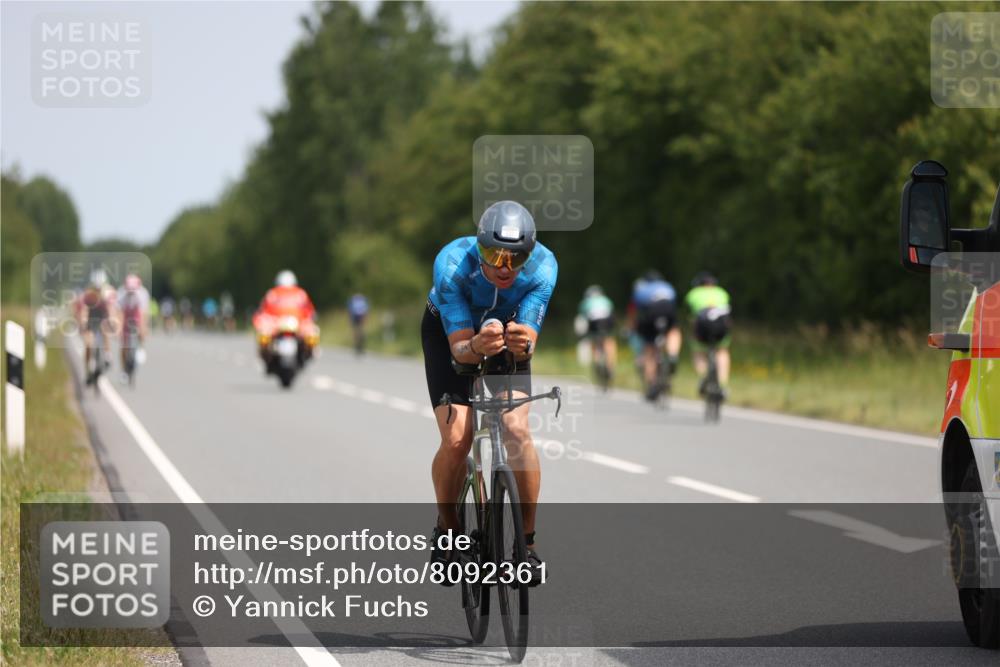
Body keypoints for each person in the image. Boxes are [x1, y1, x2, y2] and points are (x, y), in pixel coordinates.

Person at [422, 200, 557, 585]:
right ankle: (448, 534)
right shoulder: (451, 263)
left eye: (514, 259)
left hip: (504, 336)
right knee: (457, 438)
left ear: (528, 256)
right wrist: (477, 346)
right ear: (477, 246)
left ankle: (526, 546)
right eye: (492, 254)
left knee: (517, 430)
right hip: (454, 334)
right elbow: (460, 350)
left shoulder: (545, 267)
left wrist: (523, 344)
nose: (502, 267)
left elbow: (529, 339)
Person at [628, 270, 681, 401]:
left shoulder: (641, 288)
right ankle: (673, 354)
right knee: (673, 331)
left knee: (649, 349)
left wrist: (634, 327)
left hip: (651, 312)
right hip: (668, 310)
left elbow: (636, 312)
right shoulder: (668, 287)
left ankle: (651, 384)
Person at [252, 270, 318, 367]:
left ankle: (309, 351)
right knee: (264, 336)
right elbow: (310, 312)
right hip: (279, 325)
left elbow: (309, 312)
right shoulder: (277, 294)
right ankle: (266, 355)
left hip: (293, 325)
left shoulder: (297, 294)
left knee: (312, 334)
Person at [685, 271, 732, 397]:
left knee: (698, 351)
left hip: (703, 325)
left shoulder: (693, 293)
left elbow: (692, 318)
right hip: (721, 325)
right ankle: (723, 385)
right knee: (722, 351)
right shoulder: (722, 292)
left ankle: (703, 376)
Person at [75, 269, 115, 384]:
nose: (98, 290)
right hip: (91, 318)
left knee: (105, 328)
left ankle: (107, 355)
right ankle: (88, 370)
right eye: (96, 288)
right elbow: (84, 310)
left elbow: (111, 309)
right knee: (88, 344)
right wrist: (83, 322)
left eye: (99, 288)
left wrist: (112, 321)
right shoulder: (87, 294)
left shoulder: (108, 292)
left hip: (102, 317)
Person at [578, 285, 617, 383]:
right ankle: (610, 366)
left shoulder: (585, 302)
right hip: (607, 320)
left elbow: (583, 318)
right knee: (609, 341)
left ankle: (597, 363)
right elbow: (612, 313)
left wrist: (584, 334)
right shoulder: (606, 299)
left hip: (594, 322)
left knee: (595, 342)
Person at [117, 273, 150, 381]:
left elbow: (143, 314)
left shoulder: (143, 294)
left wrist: (143, 330)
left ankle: (141, 346)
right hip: (126, 315)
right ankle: (123, 370)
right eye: (129, 290)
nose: (131, 293)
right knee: (123, 345)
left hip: (137, 315)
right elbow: (120, 313)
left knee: (141, 332)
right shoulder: (121, 293)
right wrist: (119, 329)